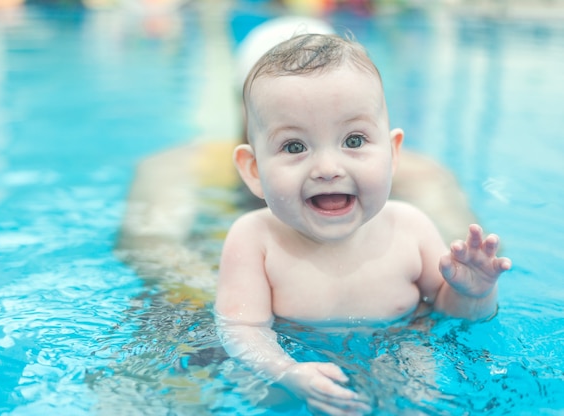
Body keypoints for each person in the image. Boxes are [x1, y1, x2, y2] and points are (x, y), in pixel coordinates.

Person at [214, 33, 512, 415]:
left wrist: (475, 293)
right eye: (294, 146)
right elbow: (242, 330)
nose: (327, 169)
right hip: (295, 372)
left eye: (353, 140)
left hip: (401, 352)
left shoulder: (411, 228)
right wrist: (286, 371)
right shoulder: (255, 239)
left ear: (392, 152)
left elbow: (453, 318)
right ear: (253, 171)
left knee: (421, 397)